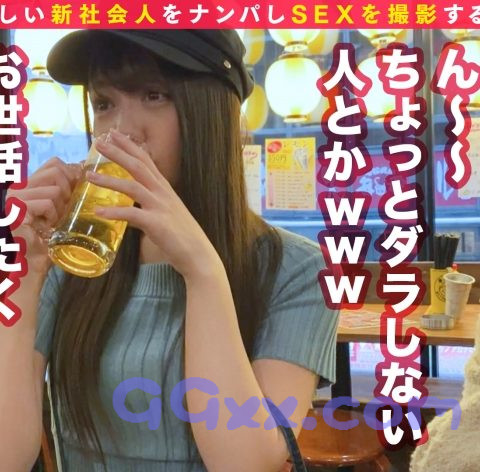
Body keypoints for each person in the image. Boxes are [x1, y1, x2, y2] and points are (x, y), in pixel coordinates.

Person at [1, 30, 339, 471]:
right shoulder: (72, 257)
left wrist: (202, 272)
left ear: (212, 113)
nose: (121, 131)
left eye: (154, 95)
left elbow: (247, 464)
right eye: (104, 104)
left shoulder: (296, 270)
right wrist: (25, 275)